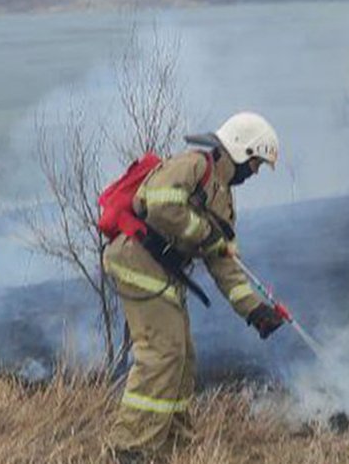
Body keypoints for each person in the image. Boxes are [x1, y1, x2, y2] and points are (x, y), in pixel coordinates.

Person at [102, 112, 286, 463]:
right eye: (256, 163)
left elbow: (222, 262)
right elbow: (159, 206)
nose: (256, 173)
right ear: (242, 150)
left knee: (183, 356)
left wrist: (255, 311)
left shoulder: (222, 199)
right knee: (163, 352)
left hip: (159, 270)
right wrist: (208, 236)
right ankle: (129, 448)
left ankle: (172, 442)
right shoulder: (193, 165)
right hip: (136, 261)